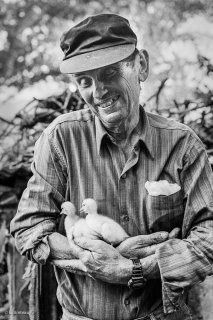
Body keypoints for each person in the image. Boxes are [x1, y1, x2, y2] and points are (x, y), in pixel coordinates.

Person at [10, 13, 213, 320]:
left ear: (140, 65)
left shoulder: (183, 146)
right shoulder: (61, 139)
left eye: (109, 73)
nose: (99, 91)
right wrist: (88, 257)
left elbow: (209, 235)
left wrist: (133, 269)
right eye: (85, 81)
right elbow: (28, 227)